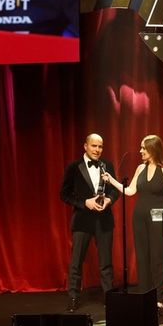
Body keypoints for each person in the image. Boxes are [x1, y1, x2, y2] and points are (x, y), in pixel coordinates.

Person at [103, 134, 163, 310]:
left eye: (144, 148)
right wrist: (111, 180)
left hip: (159, 218)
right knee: (142, 256)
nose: (140, 151)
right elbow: (130, 191)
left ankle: (158, 297)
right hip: (139, 218)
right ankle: (145, 293)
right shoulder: (140, 169)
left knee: (158, 257)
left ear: (153, 149)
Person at [59, 133, 120, 312]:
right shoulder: (73, 167)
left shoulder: (107, 165)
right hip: (82, 220)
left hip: (104, 219)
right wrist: (84, 203)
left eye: (100, 147)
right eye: (94, 146)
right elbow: (64, 194)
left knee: (106, 262)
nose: (97, 150)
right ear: (85, 146)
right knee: (76, 261)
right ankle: (73, 297)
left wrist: (109, 200)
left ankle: (109, 296)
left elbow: (115, 191)